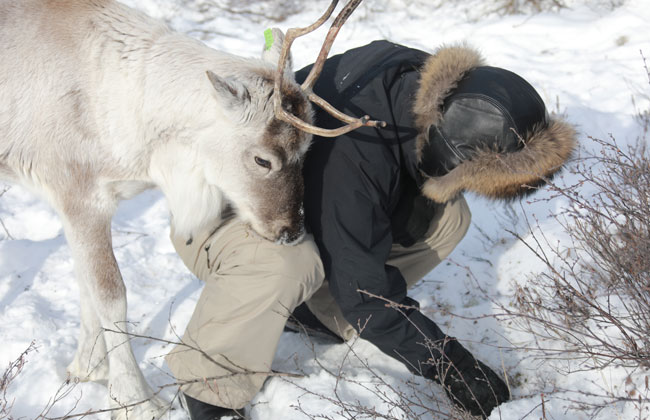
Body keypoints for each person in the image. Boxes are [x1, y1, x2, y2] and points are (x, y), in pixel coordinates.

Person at [168, 39, 577, 420]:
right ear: (446, 149)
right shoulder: (355, 158)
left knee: (449, 217)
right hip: (222, 217)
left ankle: (318, 314)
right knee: (289, 264)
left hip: (294, 202)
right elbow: (364, 292)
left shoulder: (415, 86)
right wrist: (450, 364)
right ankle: (211, 388)